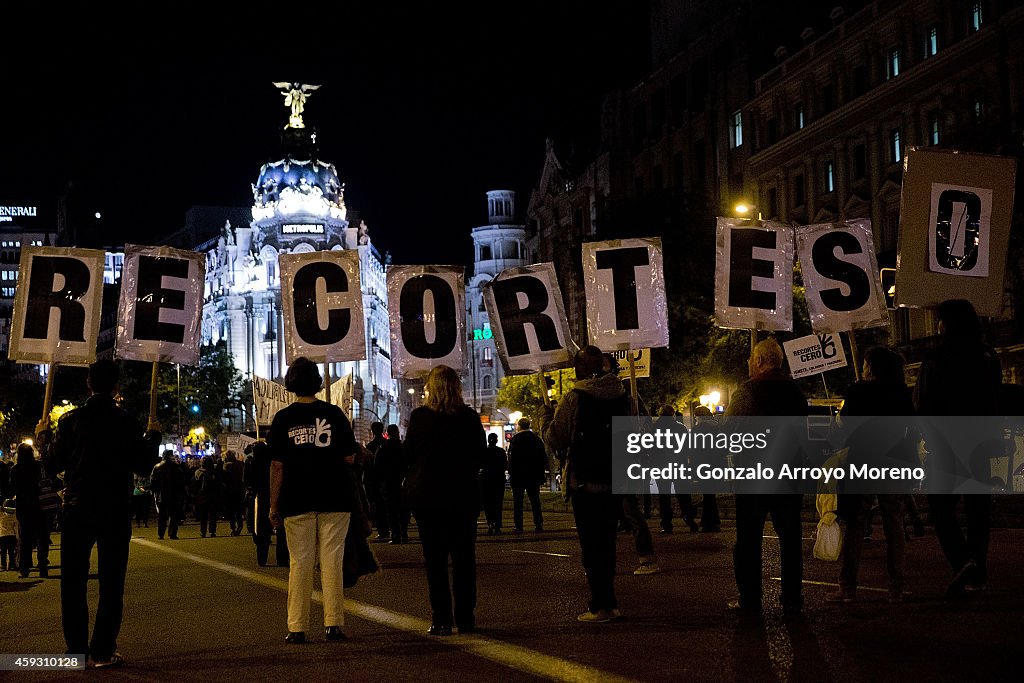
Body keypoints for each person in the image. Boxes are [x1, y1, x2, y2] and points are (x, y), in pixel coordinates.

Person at [38, 359, 161, 668]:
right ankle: (103, 649)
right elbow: (144, 465)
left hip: (78, 508)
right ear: (116, 386)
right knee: (111, 582)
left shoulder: (69, 421)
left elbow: (51, 464)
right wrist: (154, 437)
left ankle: (76, 651)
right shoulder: (127, 422)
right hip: (115, 510)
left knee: (73, 582)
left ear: (88, 384)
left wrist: (42, 437)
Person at [915, 299, 1002, 597]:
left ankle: (963, 561)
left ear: (947, 323)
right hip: (983, 441)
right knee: (979, 512)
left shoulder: (937, 357)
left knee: (941, 509)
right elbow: (997, 399)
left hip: (947, 442)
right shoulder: (988, 355)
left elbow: (924, 403)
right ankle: (978, 573)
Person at [269, 357, 359, 644]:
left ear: (291, 383)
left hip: (296, 497)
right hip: (335, 495)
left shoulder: (283, 419)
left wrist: (273, 505)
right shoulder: (334, 414)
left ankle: (296, 627)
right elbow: (349, 456)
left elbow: (277, 466)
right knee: (332, 560)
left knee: (300, 562)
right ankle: (333, 623)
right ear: (318, 382)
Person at [543, 345, 630, 623]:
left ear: (580, 368)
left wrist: (544, 419)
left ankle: (601, 604)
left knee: (591, 546)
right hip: (615, 478)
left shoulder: (575, 398)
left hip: (585, 481)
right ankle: (610, 600)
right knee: (608, 542)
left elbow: (557, 438)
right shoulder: (623, 395)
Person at [827, 346, 916, 605]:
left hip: (863, 461)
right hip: (895, 462)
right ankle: (896, 588)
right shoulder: (900, 392)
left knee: (856, 523)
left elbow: (844, 426)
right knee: (894, 524)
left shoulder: (858, 391)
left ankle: (848, 587)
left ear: (871, 367)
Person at [726, 338, 808, 617]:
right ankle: (792, 599)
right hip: (788, 476)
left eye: (751, 359)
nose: (748, 363)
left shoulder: (747, 392)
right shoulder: (796, 392)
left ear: (759, 361)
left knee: (748, 540)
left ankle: (750, 599)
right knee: (790, 539)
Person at [403, 365, 485, 636]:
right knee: (464, 559)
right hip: (462, 495)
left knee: (435, 560)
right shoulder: (469, 418)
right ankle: (465, 617)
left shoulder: (420, 417)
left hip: (429, 497)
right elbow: (479, 454)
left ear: (431, 388)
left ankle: (441, 618)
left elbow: (409, 455)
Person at [653, 405, 700, 535]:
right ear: (673, 414)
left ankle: (667, 524)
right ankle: (689, 519)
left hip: (662, 466)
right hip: (679, 465)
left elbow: (652, 448)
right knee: (683, 494)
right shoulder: (681, 428)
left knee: (664, 496)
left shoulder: (655, 428)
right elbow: (688, 447)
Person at [11, 443, 52, 578]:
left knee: (25, 538)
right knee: (42, 537)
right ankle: (42, 565)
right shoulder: (39, 466)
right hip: (41, 506)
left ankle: (25, 567)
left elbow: (13, 489)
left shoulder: (15, 470)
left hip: (24, 507)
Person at [245, 441, 288, 567]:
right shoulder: (272, 462)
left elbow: (248, 481)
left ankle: (262, 557)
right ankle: (282, 558)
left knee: (261, 529)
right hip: (276, 496)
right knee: (280, 528)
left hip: (261, 498)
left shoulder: (253, 463)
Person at [507, 417, 547, 533]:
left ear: (519, 426)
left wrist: (511, 472)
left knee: (518, 502)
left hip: (518, 476)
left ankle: (519, 526)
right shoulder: (536, 439)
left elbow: (512, 459)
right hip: (533, 475)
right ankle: (538, 523)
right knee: (535, 500)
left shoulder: (515, 440)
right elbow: (542, 458)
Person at [375, 425, 409, 544]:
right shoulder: (403, 447)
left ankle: (395, 535)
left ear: (388, 433)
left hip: (389, 482)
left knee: (392, 510)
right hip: (402, 481)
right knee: (404, 509)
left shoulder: (384, 448)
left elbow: (377, 465)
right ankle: (404, 532)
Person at [691, 405, 723, 532]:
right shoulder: (717, 428)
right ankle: (712, 520)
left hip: (703, 465)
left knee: (708, 493)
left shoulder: (697, 430)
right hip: (716, 464)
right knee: (710, 493)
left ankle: (709, 523)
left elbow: (693, 450)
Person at [150, 450, 186, 540]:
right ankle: (172, 533)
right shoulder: (176, 467)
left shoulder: (157, 467)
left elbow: (152, 481)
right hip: (173, 494)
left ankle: (161, 533)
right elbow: (181, 481)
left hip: (161, 494)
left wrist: (154, 492)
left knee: (162, 515)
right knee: (173, 514)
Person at [365, 422, 390, 542]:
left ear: (372, 431)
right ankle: (392, 530)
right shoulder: (386, 444)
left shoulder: (370, 446)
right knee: (387, 506)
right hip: (387, 479)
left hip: (375, 480)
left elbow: (368, 465)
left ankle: (383, 531)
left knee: (379, 507)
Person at [480, 433, 507, 535]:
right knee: (498, 503)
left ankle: (490, 522)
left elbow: (480, 464)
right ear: (496, 440)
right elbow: (505, 465)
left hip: (486, 479)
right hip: (498, 479)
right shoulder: (501, 451)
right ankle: (497, 524)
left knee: (488, 503)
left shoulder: (484, 452)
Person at [194, 456, 222, 538]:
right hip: (212, 495)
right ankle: (212, 531)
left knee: (203, 515)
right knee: (212, 514)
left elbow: (195, 485)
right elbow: (218, 484)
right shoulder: (214, 472)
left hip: (202, 496)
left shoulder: (198, 472)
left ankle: (203, 531)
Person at [222, 450, 246, 536]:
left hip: (229, 492)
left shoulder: (225, 467)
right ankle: (239, 525)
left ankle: (233, 527)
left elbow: (223, 480)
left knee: (231, 511)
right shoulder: (240, 465)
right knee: (238, 511)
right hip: (238, 491)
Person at [1, 496, 18, 571]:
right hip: (12, 535)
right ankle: (12, 564)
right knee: (11, 551)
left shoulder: (1, 514)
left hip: (2, 535)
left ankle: (3, 565)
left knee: (3, 551)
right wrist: (17, 536)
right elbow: (16, 526)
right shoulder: (15, 514)